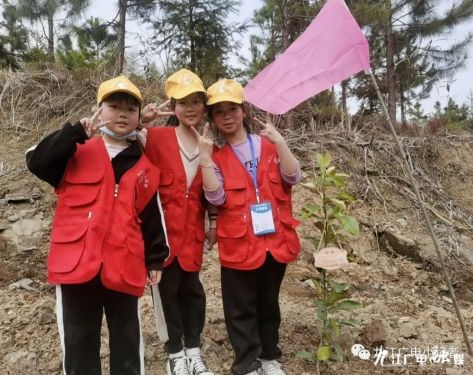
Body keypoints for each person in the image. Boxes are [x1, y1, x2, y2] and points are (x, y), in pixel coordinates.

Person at [25, 75, 169, 375]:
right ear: (99, 110)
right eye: (114, 106)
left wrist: (156, 257)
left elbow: (152, 215)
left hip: (125, 263)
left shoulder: (144, 165)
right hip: (76, 264)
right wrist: (76, 132)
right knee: (78, 342)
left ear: (139, 117)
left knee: (128, 342)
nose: (122, 113)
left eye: (130, 109)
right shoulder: (73, 153)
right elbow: (37, 162)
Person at [193, 79, 301, 375]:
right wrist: (204, 159)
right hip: (239, 243)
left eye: (233, 109)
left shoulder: (268, 145)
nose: (227, 116)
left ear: (244, 111)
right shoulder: (216, 156)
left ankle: (270, 357)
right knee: (240, 308)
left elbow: (293, 177)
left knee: (268, 304)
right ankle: (247, 363)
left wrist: (280, 142)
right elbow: (216, 196)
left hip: (273, 242)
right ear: (212, 119)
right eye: (219, 112)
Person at [139, 69, 216, 375]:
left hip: (193, 236)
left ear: (204, 107)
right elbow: (123, 134)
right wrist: (144, 119)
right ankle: (175, 355)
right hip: (164, 238)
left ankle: (194, 350)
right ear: (173, 106)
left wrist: (214, 224)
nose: (190, 108)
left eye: (196, 101)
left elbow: (209, 194)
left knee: (194, 293)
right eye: (183, 102)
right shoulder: (156, 137)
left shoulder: (209, 147)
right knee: (167, 294)